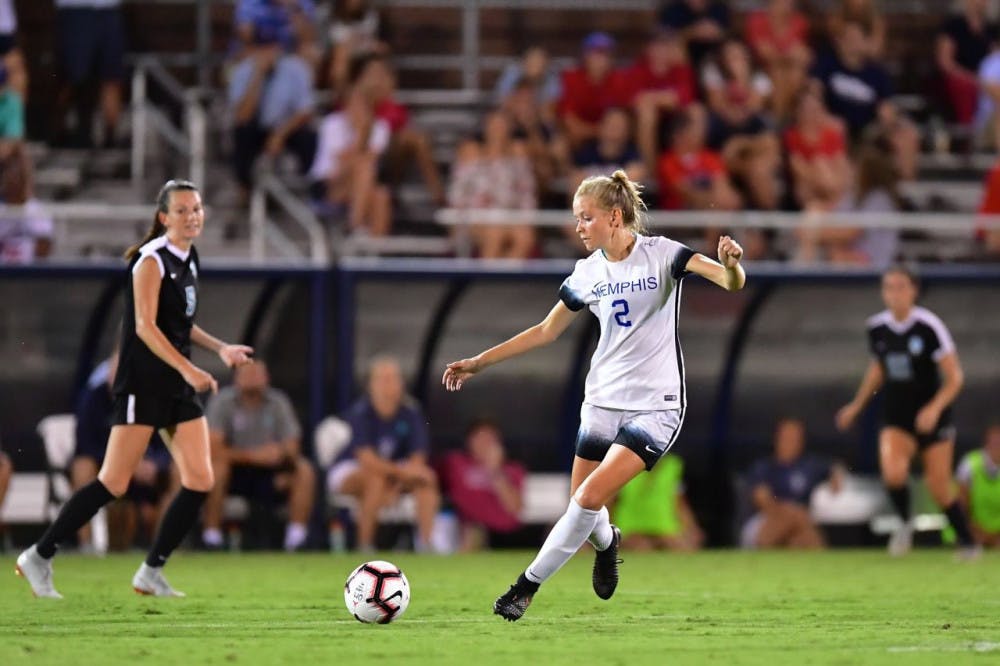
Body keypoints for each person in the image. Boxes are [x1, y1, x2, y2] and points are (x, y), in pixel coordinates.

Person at [443, 169, 746, 621]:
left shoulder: (663, 255)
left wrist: (732, 263)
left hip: (655, 406)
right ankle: (609, 543)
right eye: (577, 218)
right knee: (582, 510)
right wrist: (480, 362)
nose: (579, 226)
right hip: (602, 400)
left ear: (615, 216)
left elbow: (730, 283)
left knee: (586, 500)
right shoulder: (587, 272)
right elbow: (546, 331)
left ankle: (524, 588)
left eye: (586, 217)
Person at [14, 179, 254, 598]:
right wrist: (188, 371)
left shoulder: (188, 257)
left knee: (199, 479)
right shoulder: (150, 260)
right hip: (144, 385)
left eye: (196, 208)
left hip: (176, 386)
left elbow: (179, 324)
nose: (191, 216)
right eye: (181, 210)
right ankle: (38, 554)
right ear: (163, 217)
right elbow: (144, 327)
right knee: (114, 482)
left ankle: (151, 571)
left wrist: (221, 349)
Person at [835, 265, 977, 558]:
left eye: (901, 287)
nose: (895, 293)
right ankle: (904, 524)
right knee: (894, 473)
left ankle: (967, 542)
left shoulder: (929, 327)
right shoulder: (877, 328)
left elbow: (955, 378)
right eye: (889, 287)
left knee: (939, 487)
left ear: (913, 290)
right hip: (897, 414)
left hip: (931, 416)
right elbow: (878, 369)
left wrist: (934, 408)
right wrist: (857, 405)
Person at [326, 354, 440, 552]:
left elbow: (417, 457)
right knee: (375, 480)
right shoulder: (361, 412)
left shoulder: (410, 412)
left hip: (394, 470)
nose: (389, 385)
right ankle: (365, 544)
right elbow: (367, 459)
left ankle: (426, 544)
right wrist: (397, 479)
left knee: (426, 479)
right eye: (383, 379)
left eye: (394, 378)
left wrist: (397, 483)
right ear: (371, 385)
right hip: (351, 468)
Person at [203, 360, 315, 552]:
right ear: (237, 378)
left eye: (258, 374)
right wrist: (253, 456)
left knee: (304, 470)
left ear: (267, 378)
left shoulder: (278, 402)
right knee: (217, 468)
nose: (253, 379)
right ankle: (211, 537)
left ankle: (296, 539)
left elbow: (292, 446)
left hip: (270, 474)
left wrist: (280, 452)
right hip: (234, 474)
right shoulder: (222, 401)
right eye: (248, 374)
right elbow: (214, 449)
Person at [73, 353, 177, 552]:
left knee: (181, 470)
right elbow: (85, 446)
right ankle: (86, 545)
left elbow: (171, 442)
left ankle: (162, 546)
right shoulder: (93, 400)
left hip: (148, 474)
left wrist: (156, 464)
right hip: (106, 469)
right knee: (82, 467)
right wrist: (126, 463)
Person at [228, 23, 317, 203]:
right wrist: (258, 75)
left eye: (272, 45)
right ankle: (245, 189)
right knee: (241, 133)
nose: (268, 51)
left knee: (309, 136)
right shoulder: (243, 71)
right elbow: (243, 115)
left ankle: (313, 189)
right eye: (263, 45)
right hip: (257, 128)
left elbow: (305, 110)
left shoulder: (297, 69)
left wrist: (279, 135)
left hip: (287, 128)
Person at [702, 38, 780, 211]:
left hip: (748, 137)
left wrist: (741, 144)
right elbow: (719, 107)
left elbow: (753, 108)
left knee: (762, 161)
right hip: (723, 134)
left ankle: (770, 216)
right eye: (731, 57)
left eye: (740, 56)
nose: (735, 61)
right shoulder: (715, 76)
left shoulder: (757, 79)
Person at [447, 111, 537, 259]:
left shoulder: (517, 162)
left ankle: (507, 281)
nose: (498, 131)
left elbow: (527, 196)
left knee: (524, 237)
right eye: (494, 126)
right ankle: (487, 281)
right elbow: (457, 194)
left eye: (502, 127)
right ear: (486, 129)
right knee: (495, 233)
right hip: (475, 218)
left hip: (509, 218)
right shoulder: (471, 158)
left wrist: (525, 219)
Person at [742, 419, 842, 550]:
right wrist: (793, 513)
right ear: (776, 439)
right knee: (797, 520)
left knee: (800, 538)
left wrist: (836, 479)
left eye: (796, 437)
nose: (791, 441)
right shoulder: (764, 467)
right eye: (787, 437)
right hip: (765, 522)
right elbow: (763, 502)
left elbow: (835, 467)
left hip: (798, 526)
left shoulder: (810, 466)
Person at [307, 89, 392, 236]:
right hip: (329, 183)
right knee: (363, 168)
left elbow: (373, 159)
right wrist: (360, 134)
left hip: (360, 184)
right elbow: (341, 164)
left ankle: (374, 249)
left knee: (381, 195)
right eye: (353, 104)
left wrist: (362, 131)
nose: (357, 109)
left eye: (362, 105)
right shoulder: (332, 124)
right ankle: (355, 226)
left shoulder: (380, 127)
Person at [441, 418, 526, 551]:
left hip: (505, 534)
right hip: (468, 530)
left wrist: (495, 471)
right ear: (469, 441)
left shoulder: (512, 470)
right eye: (480, 438)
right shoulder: (456, 464)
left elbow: (515, 508)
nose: (484, 444)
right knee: (472, 531)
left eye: (490, 439)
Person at [52, 0, 125, 148]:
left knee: (111, 78)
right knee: (71, 78)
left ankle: (111, 137)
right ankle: (59, 131)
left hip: (109, 10)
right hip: (74, 9)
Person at [613, 453, 703, 551]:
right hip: (630, 526)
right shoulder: (622, 463)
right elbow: (609, 501)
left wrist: (692, 528)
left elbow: (680, 503)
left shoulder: (673, 465)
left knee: (681, 548)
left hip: (665, 526)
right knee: (642, 548)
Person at [557, 32, 630, 149]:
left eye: (605, 54)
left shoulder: (619, 80)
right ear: (585, 56)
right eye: (595, 53)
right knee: (562, 143)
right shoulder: (571, 78)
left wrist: (610, 131)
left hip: (613, 138)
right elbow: (570, 122)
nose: (600, 59)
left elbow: (624, 120)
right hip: (581, 136)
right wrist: (600, 131)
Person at [784, 86, 851, 211]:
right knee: (816, 166)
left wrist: (828, 179)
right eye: (806, 109)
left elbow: (841, 164)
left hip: (832, 181)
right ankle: (833, 205)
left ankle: (833, 205)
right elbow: (798, 167)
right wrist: (820, 179)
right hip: (809, 184)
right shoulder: (792, 136)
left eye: (814, 109)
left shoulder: (832, 134)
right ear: (798, 111)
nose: (810, 113)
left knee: (821, 164)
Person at [744, 0, 811, 121]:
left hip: (788, 70)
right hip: (758, 68)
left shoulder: (799, 22)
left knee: (795, 73)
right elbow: (765, 55)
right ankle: (781, 120)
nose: (787, 4)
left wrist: (786, 55)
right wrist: (789, 55)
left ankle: (782, 120)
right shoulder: (757, 20)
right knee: (779, 73)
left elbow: (804, 55)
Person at [937, 0, 994, 127]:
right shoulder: (953, 26)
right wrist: (973, 79)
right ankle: (970, 133)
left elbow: (995, 60)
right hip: (960, 79)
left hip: (986, 81)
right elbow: (945, 63)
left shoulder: (992, 29)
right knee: (966, 88)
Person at [0, 144, 52, 264]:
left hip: (28, 275)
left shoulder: (38, 210)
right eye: (10, 174)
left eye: (19, 175)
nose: (14, 179)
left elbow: (43, 249)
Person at [956, 425, 1000, 547]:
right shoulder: (970, 464)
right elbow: (961, 504)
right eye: (994, 443)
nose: (997, 447)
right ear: (986, 444)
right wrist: (971, 531)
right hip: (974, 532)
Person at [657, 0, 731, 68]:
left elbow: (729, 35)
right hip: (685, 53)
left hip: (713, 53)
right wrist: (692, 32)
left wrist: (717, 32)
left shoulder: (719, 8)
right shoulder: (672, 10)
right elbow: (664, 38)